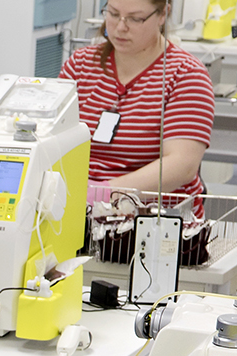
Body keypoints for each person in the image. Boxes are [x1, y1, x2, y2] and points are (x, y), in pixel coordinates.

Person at [60, 0, 216, 211]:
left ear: (163, 14)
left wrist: (103, 194)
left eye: (135, 19)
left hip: (152, 223)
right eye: (113, 14)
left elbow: (181, 166)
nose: (121, 27)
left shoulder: (185, 75)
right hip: (79, 216)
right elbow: (52, 140)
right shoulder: (80, 66)